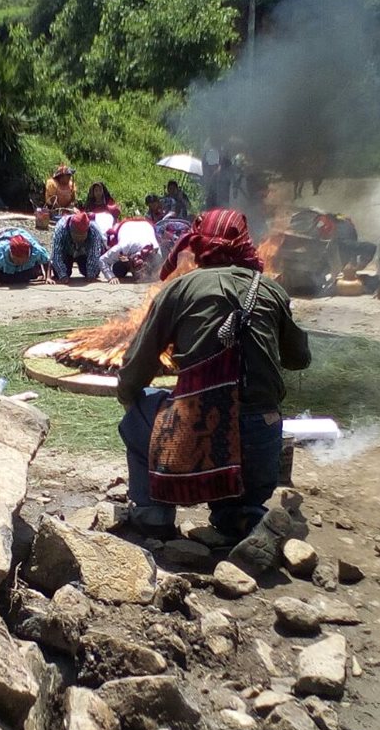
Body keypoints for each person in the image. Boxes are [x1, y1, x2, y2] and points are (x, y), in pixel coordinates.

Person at [118, 208, 311, 573]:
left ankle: (153, 514)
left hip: (196, 439)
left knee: (139, 409)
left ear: (199, 242)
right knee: (257, 423)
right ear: (243, 243)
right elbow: (299, 359)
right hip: (261, 438)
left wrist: (133, 406)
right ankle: (243, 517)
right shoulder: (270, 289)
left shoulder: (179, 288)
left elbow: (134, 372)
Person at [51, 211, 105, 282]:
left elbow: (94, 254)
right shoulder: (60, 228)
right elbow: (56, 254)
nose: (79, 239)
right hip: (66, 253)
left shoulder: (94, 230)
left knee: (94, 272)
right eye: (77, 236)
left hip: (84, 254)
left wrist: (91, 275)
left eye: (82, 236)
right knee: (60, 274)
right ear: (71, 229)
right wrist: (63, 275)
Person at [100, 218, 160, 283]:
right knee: (118, 271)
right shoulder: (122, 247)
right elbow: (102, 259)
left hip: (146, 226)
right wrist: (111, 277)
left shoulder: (155, 251)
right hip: (126, 226)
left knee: (154, 272)